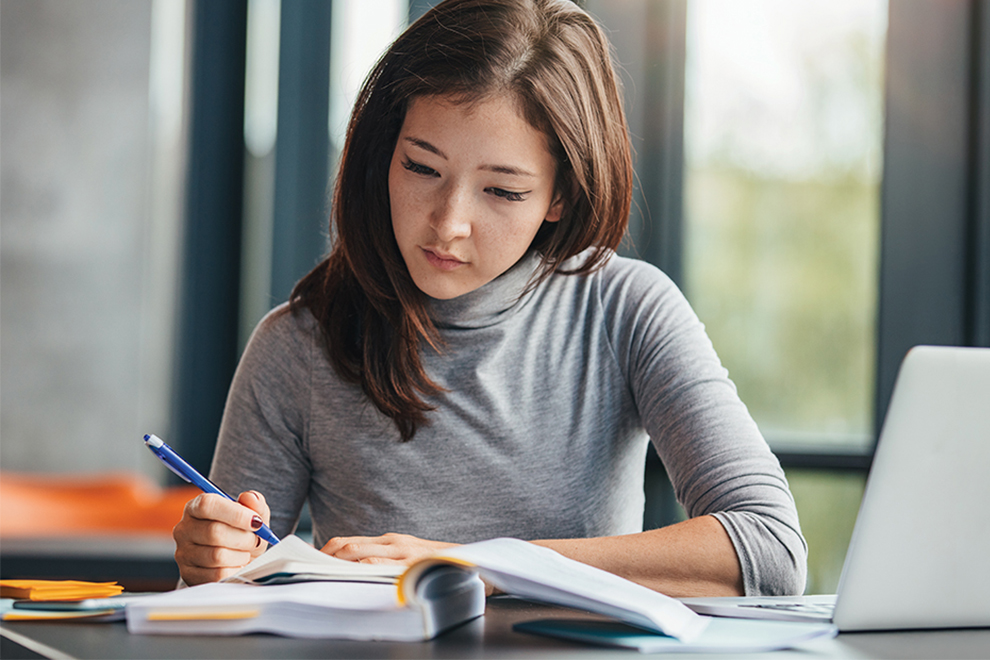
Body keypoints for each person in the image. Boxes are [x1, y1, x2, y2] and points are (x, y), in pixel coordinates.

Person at [173, 0, 807, 598]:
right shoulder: (298, 346)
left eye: (503, 192)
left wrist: (478, 564)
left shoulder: (625, 311)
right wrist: (210, 567)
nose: (448, 224)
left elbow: (771, 549)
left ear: (560, 196)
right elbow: (219, 609)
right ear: (384, 153)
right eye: (422, 168)